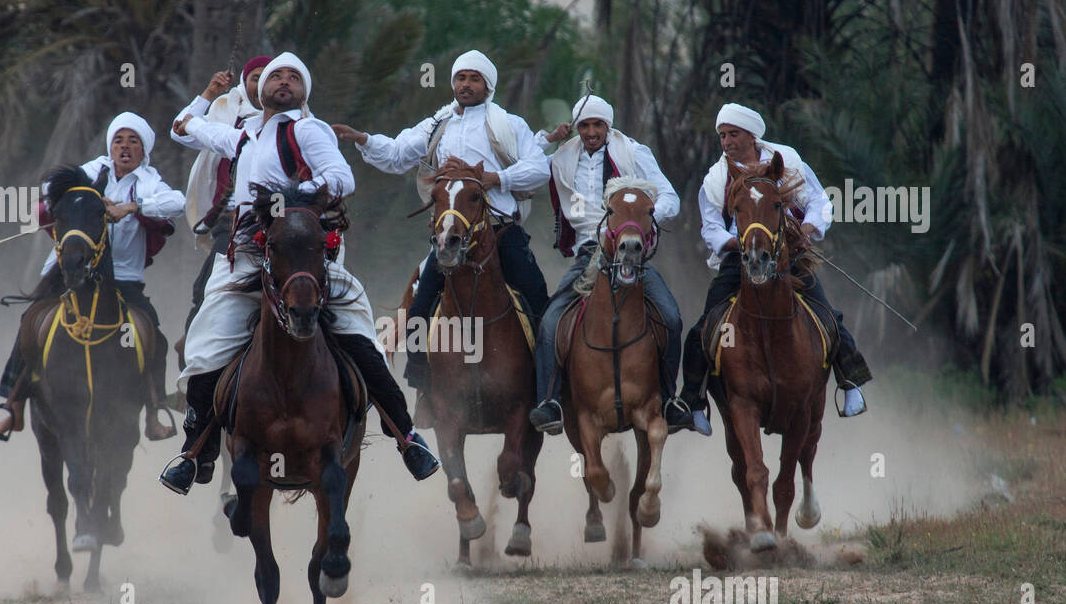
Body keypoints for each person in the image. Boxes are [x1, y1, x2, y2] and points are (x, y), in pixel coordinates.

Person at [160, 52, 440, 494]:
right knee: (202, 350)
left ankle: (406, 437)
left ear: (304, 91)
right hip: (249, 258)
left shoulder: (309, 129)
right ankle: (196, 453)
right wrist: (204, 101)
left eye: (294, 77)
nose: (285, 81)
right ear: (261, 88)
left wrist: (292, 198)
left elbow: (342, 178)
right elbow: (184, 127)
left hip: (307, 257)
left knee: (361, 343)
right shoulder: (243, 135)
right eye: (277, 76)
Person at [331, 50, 551, 424]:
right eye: (460, 78)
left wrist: (495, 179)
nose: (466, 84)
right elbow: (399, 153)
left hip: (500, 232)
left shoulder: (509, 124)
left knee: (538, 300)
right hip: (450, 235)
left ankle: (547, 392)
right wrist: (364, 139)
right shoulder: (439, 124)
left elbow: (538, 169)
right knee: (418, 309)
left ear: (488, 85)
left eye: (474, 78)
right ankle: (425, 391)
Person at [0, 112, 186, 441]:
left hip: (123, 280)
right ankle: (13, 405)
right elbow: (51, 188)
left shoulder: (150, 182)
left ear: (143, 149)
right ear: (110, 145)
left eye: (133, 141)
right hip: (71, 273)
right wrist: (89, 199)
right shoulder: (91, 172)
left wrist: (131, 206)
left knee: (154, 335)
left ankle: (153, 410)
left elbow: (177, 203)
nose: (124, 146)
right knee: (30, 322)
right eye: (119, 139)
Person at [676, 102, 873, 436]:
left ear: (751, 135)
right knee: (703, 327)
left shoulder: (788, 162)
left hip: (787, 255)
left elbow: (819, 203)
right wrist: (742, 244)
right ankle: (693, 402)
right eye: (722, 135)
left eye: (733, 134)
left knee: (826, 314)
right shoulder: (716, 179)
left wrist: (806, 231)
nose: (726, 142)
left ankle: (850, 382)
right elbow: (710, 228)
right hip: (741, 259)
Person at [528, 94, 688, 434]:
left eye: (597, 124)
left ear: (607, 125)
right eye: (584, 125)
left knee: (671, 317)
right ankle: (551, 401)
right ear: (576, 128)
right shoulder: (560, 158)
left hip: (630, 250)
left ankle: (670, 399)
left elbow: (669, 196)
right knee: (549, 321)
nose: (590, 132)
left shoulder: (633, 152)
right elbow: (524, 167)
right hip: (587, 252)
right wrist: (546, 138)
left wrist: (639, 219)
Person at [171, 55, 271, 337]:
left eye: (269, 78)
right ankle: (193, 363)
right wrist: (210, 94)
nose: (262, 85)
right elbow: (180, 131)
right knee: (204, 291)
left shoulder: (300, 119)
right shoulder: (227, 113)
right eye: (256, 78)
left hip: (282, 225)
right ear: (244, 83)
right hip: (233, 225)